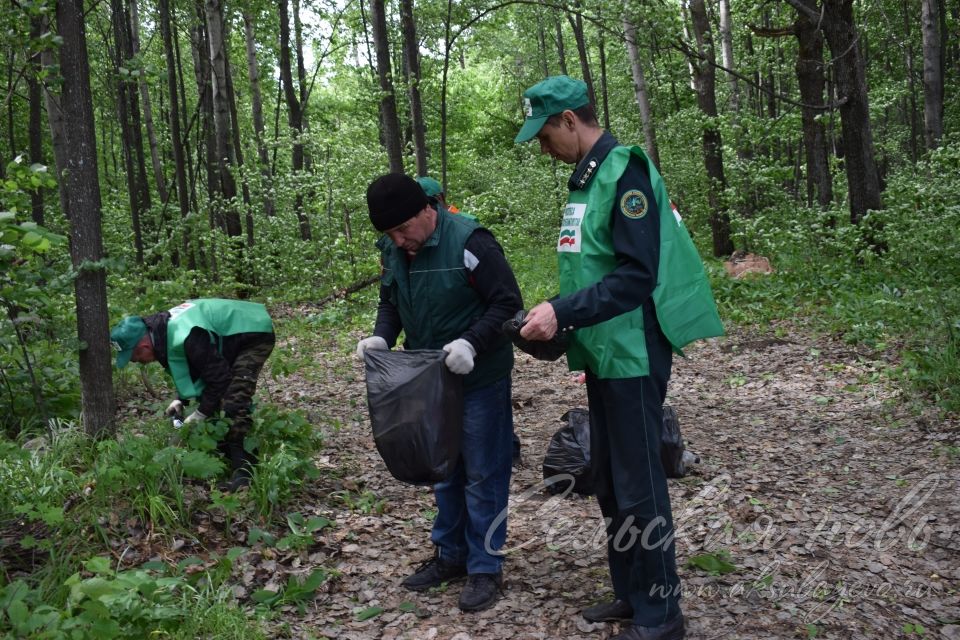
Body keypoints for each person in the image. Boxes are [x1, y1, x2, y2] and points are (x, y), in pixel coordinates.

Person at [513, 75, 723, 640]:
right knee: (607, 477)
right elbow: (594, 267)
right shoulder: (585, 182)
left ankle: (662, 613)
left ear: (569, 121)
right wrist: (559, 317)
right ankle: (632, 595)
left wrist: (562, 310)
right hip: (603, 349)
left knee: (639, 482)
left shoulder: (625, 172)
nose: (542, 147)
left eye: (545, 134)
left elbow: (636, 275)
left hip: (633, 349)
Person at [356, 173, 522, 612]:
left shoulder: (472, 241)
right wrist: (381, 337)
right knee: (443, 466)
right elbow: (391, 300)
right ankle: (451, 556)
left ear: (426, 211)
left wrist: (472, 341)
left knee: (484, 471)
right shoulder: (394, 249)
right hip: (429, 377)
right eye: (389, 233)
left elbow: (507, 303)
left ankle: (486, 566)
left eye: (402, 229)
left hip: (480, 375)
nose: (398, 239)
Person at [110, 299, 276, 491]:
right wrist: (180, 399)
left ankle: (245, 472)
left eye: (135, 357)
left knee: (233, 399)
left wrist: (201, 413)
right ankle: (224, 451)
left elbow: (219, 378)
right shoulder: (164, 333)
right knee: (214, 394)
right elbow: (198, 368)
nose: (137, 362)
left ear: (144, 347)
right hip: (231, 335)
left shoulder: (185, 334)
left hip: (253, 331)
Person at [417, 174, 524, 466]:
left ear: (435, 202)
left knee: (484, 443)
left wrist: (472, 342)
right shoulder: (405, 242)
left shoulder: (466, 232)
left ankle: (509, 445)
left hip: (482, 363)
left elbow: (506, 300)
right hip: (435, 369)